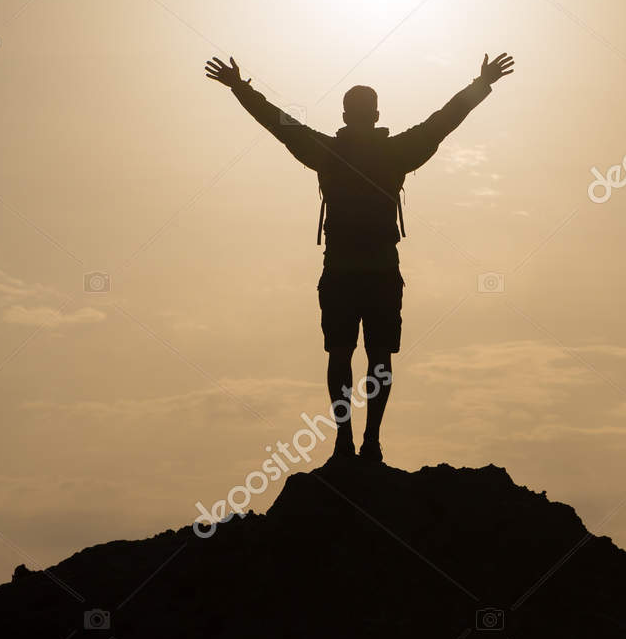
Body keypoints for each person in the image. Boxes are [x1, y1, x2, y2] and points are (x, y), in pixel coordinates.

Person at [205, 52, 516, 463]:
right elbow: (444, 120)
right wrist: (480, 85)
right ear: (375, 114)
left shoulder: (327, 151)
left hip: (342, 272)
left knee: (341, 355)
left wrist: (241, 88)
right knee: (377, 357)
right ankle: (368, 442)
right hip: (379, 271)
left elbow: (279, 123)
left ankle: (346, 442)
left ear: (347, 114)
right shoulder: (397, 151)